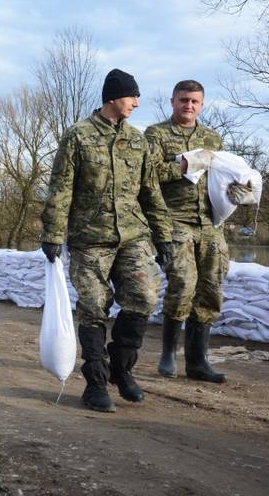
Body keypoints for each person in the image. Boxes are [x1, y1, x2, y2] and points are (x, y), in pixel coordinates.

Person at [40, 68, 173, 413]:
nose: (137, 103)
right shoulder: (79, 136)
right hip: (90, 239)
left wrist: (165, 238)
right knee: (94, 307)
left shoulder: (138, 141)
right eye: (132, 96)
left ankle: (121, 369)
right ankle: (96, 384)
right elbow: (60, 188)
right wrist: (53, 233)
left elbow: (151, 193)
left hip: (133, 236)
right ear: (113, 96)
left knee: (144, 297)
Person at [145, 80, 231, 383]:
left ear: (202, 105)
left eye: (195, 101)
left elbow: (222, 176)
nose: (189, 106)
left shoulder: (212, 138)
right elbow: (148, 174)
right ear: (173, 101)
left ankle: (198, 362)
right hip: (174, 220)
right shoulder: (157, 134)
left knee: (211, 288)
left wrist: (239, 188)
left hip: (209, 221)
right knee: (183, 284)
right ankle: (168, 353)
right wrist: (184, 165)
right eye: (183, 100)